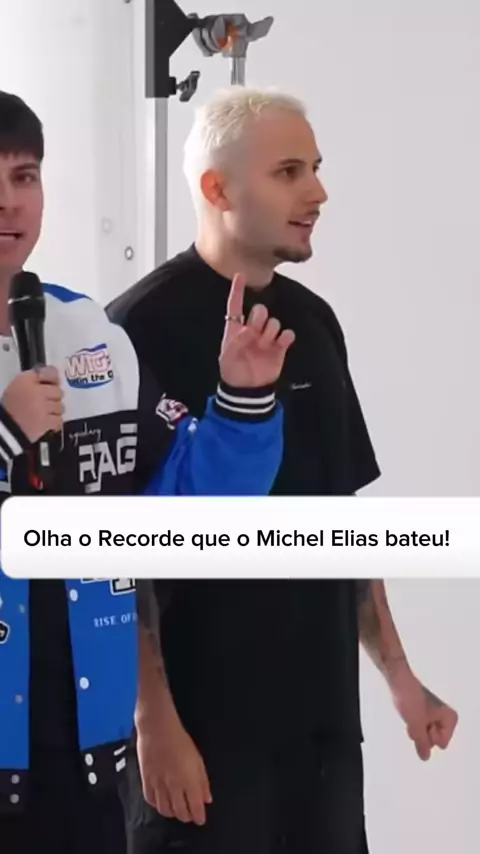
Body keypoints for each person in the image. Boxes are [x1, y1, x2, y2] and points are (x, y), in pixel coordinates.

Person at [108, 87, 459, 854]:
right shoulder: (135, 332)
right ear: (218, 188)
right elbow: (113, 553)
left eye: (316, 168)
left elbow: (341, 519)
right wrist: (151, 719)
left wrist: (400, 677)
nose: (318, 192)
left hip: (321, 733)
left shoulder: (315, 324)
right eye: (290, 171)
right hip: (202, 740)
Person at [0, 90, 293, 854]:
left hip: (83, 756)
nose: (8, 203)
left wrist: (243, 401)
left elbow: (177, 513)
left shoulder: (89, 333)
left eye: (24, 177)